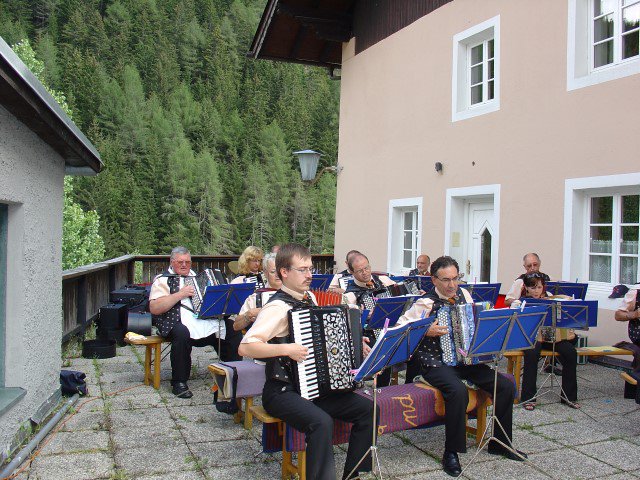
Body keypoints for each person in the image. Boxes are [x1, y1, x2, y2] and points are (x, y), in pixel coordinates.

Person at [238, 244, 377, 480]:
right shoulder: (277, 307)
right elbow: (246, 346)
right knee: (321, 422)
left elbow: (322, 337)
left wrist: (352, 341)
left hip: (313, 387)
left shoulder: (310, 298)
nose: (309, 274)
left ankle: (353, 474)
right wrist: (286, 349)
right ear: (284, 272)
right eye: (302, 270)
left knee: (369, 410)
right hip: (282, 390)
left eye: (310, 269)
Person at [397, 256, 524, 476]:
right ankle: (451, 452)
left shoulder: (464, 295)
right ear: (433, 280)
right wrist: (424, 330)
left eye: (455, 278)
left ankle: (500, 443)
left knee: (503, 386)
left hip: (465, 361)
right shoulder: (424, 303)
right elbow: (400, 330)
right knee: (457, 391)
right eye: (446, 280)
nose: (452, 285)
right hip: (435, 363)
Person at [149, 247, 234, 398]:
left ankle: (234, 372)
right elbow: (154, 308)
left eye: (187, 262)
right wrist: (179, 294)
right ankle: (179, 382)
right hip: (173, 319)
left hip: (201, 319)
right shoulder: (163, 280)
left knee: (230, 328)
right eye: (180, 262)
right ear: (172, 262)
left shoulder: (199, 278)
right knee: (181, 333)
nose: (184, 265)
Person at [519, 273, 579, 411]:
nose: (536, 291)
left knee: (570, 352)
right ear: (526, 287)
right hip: (531, 338)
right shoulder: (521, 302)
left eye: (539, 287)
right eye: (532, 287)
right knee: (532, 353)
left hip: (551, 337)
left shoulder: (550, 299)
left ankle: (569, 397)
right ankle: (528, 397)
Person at [344, 252, 396, 387]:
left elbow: (400, 294)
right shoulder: (351, 294)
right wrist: (362, 314)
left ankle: (409, 385)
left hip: (393, 327)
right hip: (369, 334)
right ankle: (381, 390)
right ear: (351, 272)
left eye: (367, 268)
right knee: (382, 350)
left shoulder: (384, 281)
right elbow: (347, 321)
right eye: (360, 271)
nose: (365, 273)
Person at [233, 253, 282, 332]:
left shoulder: (295, 293)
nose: (277, 275)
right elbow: (236, 326)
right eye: (273, 272)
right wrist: (249, 314)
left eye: (280, 270)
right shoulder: (256, 297)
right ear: (265, 273)